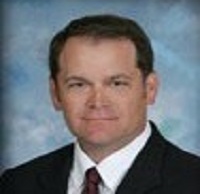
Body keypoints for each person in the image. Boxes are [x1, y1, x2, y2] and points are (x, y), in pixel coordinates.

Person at [0, 14, 200, 194]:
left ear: (150, 89)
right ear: (55, 94)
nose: (97, 102)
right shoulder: (16, 184)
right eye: (78, 84)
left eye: (116, 83)